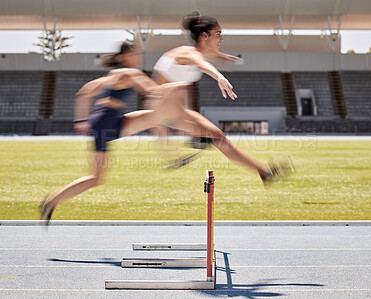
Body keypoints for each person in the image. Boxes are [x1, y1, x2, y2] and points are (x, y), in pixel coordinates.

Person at [40, 42, 188, 223]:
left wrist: (80, 120)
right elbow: (153, 91)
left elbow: (84, 93)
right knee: (153, 117)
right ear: (126, 55)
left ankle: (50, 203)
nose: (138, 57)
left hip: (105, 121)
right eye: (136, 54)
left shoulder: (112, 75)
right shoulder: (131, 73)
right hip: (106, 122)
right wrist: (179, 84)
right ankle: (171, 157)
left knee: (95, 178)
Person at [149, 11, 293, 182]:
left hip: (176, 111)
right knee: (214, 136)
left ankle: (264, 173)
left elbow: (207, 58)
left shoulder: (197, 53)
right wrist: (219, 76)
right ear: (204, 36)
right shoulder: (189, 54)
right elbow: (201, 63)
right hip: (163, 110)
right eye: (218, 35)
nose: (221, 39)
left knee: (218, 137)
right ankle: (180, 148)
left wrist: (222, 57)